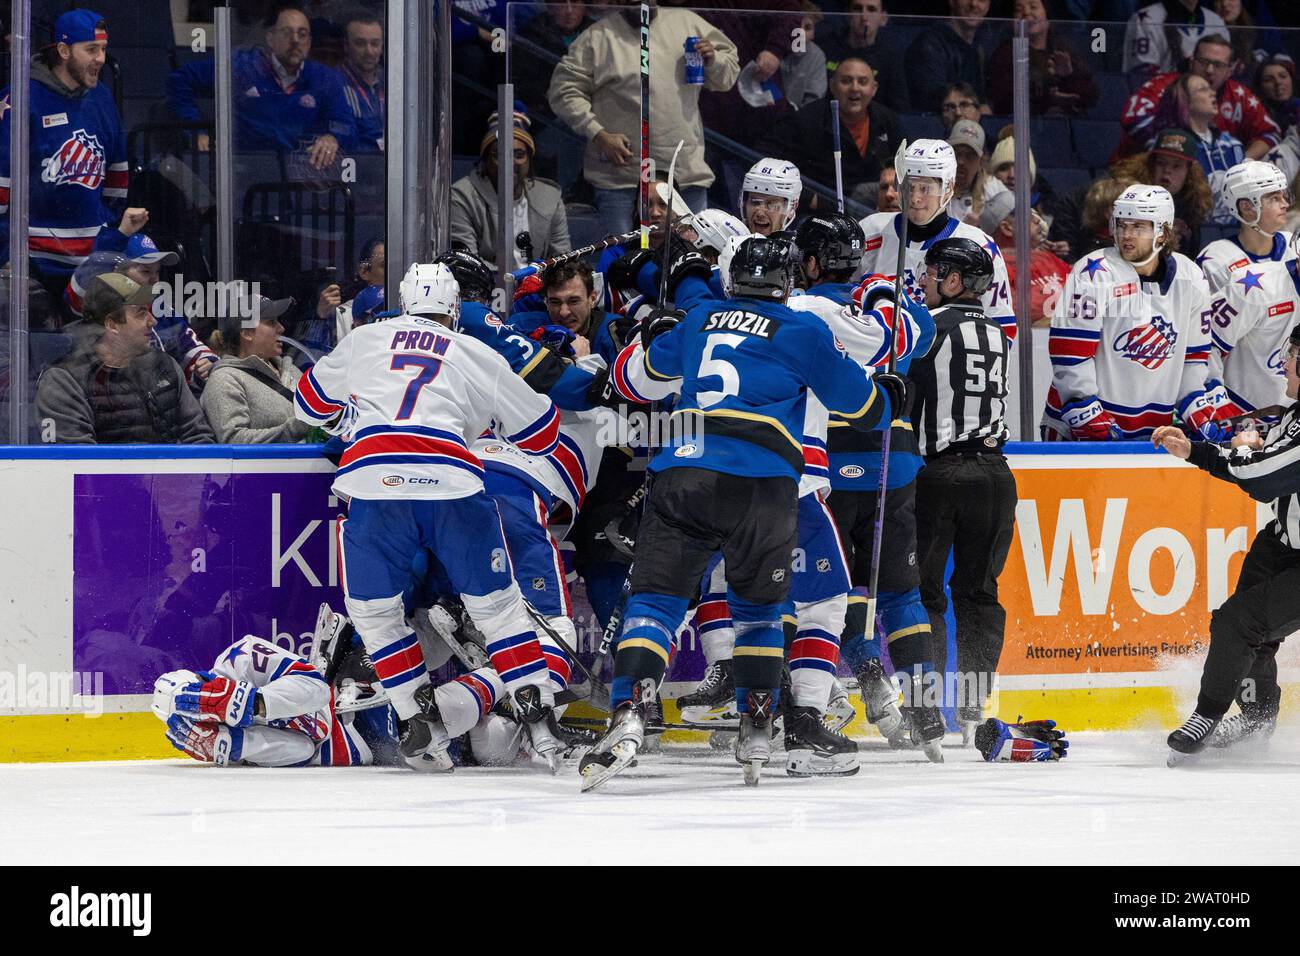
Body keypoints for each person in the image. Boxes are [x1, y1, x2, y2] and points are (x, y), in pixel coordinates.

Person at [585, 234, 901, 790]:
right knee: (759, 608)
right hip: (764, 484)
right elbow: (868, 410)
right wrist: (891, 393)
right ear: (787, 283)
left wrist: (650, 335)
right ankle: (759, 723)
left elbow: (629, 380)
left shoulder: (702, 314)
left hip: (682, 470)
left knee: (657, 604)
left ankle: (629, 712)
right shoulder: (804, 328)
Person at [292, 262, 565, 772]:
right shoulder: (473, 351)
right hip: (453, 481)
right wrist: (484, 422)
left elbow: (307, 404)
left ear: (402, 302)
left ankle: (416, 716)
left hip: (373, 482)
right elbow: (542, 433)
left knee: (375, 614)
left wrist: (351, 415)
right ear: (454, 309)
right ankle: (537, 716)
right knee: (498, 611)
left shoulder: (364, 339)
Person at [1155, 326, 1300, 762]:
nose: (1286, 363)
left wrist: (1239, 448)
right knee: (1250, 632)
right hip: (1281, 543)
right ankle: (1255, 722)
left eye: (1293, 354)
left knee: (1238, 621)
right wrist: (1195, 452)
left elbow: (1262, 478)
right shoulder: (1295, 415)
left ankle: (1207, 714)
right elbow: (1259, 462)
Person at [909, 237, 1015, 738]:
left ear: (953, 280)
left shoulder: (926, 328)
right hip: (996, 477)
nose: (922, 281)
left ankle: (925, 707)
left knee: (925, 593)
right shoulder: (999, 332)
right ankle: (973, 703)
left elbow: (900, 399)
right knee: (978, 593)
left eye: (931, 273)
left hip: (941, 475)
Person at [1041, 184, 1222, 442]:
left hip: (1152, 432)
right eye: (1122, 225)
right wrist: (1085, 411)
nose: (1126, 235)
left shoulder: (1190, 277)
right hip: (1081, 427)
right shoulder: (1094, 272)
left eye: (1138, 227)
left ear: (1163, 232)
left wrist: (1196, 407)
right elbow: (1069, 356)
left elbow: (1193, 360)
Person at [547, 0, 739, 236]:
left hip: (684, 171)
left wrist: (714, 61)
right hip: (622, 176)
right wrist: (598, 133)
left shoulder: (688, 23)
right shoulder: (597, 37)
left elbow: (728, 74)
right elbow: (562, 90)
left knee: (692, 257)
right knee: (623, 263)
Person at [0, 9, 127, 290]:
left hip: (92, 261)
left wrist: (105, 240)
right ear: (64, 50)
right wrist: (5, 255)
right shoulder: (21, 97)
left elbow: (117, 183)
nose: (101, 59)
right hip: (31, 263)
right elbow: (1, 187)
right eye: (91, 49)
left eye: (104, 49)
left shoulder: (103, 99)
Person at [856, 139, 1016, 342]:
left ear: (948, 188)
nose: (915, 198)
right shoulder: (870, 232)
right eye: (909, 187)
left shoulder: (979, 247)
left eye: (925, 188)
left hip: (945, 369)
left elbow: (1001, 328)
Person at [35, 273, 215, 444]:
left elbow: (199, 437)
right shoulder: (64, 382)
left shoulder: (165, 366)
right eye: (141, 313)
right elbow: (77, 465)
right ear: (112, 324)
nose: (153, 321)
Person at [167, 5, 355, 165]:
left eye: (302, 34)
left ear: (310, 42)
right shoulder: (242, 67)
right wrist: (196, 131)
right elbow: (180, 79)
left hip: (301, 174)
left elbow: (345, 123)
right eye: (287, 32)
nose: (295, 40)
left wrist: (333, 138)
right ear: (270, 38)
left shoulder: (324, 77)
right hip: (244, 171)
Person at [755, 58, 899, 215]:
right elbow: (762, 158)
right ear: (832, 86)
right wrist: (808, 197)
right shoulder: (807, 120)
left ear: (874, 88)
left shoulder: (887, 119)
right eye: (846, 81)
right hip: (821, 214)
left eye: (863, 82)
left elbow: (907, 165)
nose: (855, 88)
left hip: (874, 212)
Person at [1118, 34, 1281, 161]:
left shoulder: (1238, 95)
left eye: (1218, 65)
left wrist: (1241, 161)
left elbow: (1270, 133)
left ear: (1229, 71)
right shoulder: (1164, 85)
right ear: (1192, 62)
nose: (1209, 70)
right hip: (1143, 171)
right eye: (1203, 62)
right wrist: (1176, 152)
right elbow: (1133, 119)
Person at [450, 105, 570, 272]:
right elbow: (467, 263)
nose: (510, 162)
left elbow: (562, 259)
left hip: (540, 290)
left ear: (529, 159)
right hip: (488, 290)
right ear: (485, 159)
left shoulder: (550, 197)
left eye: (519, 155)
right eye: (499, 155)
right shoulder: (462, 196)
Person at [1203, 230, 1299, 424]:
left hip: (1291, 423)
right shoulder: (1255, 286)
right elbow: (1204, 342)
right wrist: (1216, 397)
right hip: (1241, 416)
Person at [201, 295, 308, 443]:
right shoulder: (225, 381)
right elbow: (234, 440)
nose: (281, 328)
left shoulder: (291, 370)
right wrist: (299, 427)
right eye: (271, 322)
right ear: (246, 333)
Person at [985, 0, 1097, 117]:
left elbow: (1091, 96)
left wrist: (1069, 75)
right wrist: (1048, 97)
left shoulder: (1062, 49)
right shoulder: (1004, 53)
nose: (1026, 13)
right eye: (1018, 10)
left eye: (1033, 7)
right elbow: (1001, 97)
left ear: (1047, 16)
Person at [1196, 160, 1293, 293]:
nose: (1285, 204)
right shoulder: (1216, 261)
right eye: (1275, 198)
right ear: (1246, 207)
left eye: (1284, 196)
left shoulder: (1295, 245)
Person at [980, 190, 1070, 327]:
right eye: (1027, 215)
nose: (1037, 219)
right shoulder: (996, 269)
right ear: (1007, 228)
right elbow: (1019, 317)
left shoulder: (1048, 257)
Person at [816, 0, 909, 113]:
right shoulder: (825, 49)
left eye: (871, 10)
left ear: (883, 19)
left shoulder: (890, 58)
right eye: (857, 9)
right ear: (847, 15)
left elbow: (898, 109)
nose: (864, 17)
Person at [905, 0, 996, 114]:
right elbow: (930, 97)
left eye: (981, 0)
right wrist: (977, 107)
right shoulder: (930, 44)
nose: (973, 4)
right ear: (952, 1)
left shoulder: (984, 44)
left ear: (988, 6)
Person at [1123, 0, 1229, 85]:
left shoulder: (1216, 21)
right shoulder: (1146, 20)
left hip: (1207, 104)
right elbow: (1142, 79)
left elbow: (1225, 74)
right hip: (1163, 105)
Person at [339, 9, 385, 153]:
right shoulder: (333, 84)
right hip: (357, 168)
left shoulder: (393, 81)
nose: (369, 51)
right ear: (346, 46)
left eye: (375, 44)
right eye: (360, 43)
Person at [947, 118, 1006, 227]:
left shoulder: (993, 189)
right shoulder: (931, 187)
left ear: (981, 162)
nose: (961, 161)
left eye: (970, 155)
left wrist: (986, 227)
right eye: (956, 153)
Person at [779, 1, 827, 110]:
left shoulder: (816, 56)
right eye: (795, 25)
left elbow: (814, 99)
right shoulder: (771, 48)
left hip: (799, 120)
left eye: (807, 28)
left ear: (814, 33)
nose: (800, 32)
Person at [738, 157, 802, 237]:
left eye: (771, 205)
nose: (760, 213)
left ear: (792, 207)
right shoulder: (727, 238)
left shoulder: (797, 248)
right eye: (755, 202)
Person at [1255, 56, 1300, 135]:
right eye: (1268, 80)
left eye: (1283, 76)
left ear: (1291, 80)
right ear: (1260, 87)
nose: (1278, 82)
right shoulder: (1254, 114)